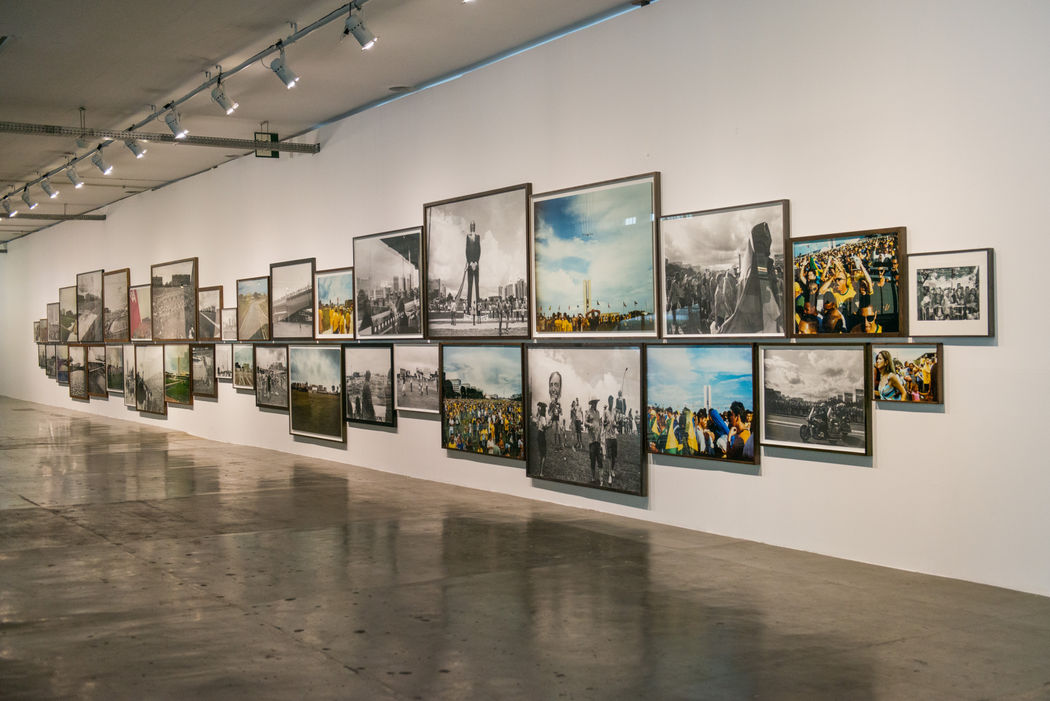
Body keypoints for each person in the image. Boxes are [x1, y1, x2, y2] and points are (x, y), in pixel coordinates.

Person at [465, 220, 481, 321]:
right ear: (470, 226)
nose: (472, 226)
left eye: (474, 225)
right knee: (470, 285)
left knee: (477, 285)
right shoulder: (467, 236)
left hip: (476, 264)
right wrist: (470, 262)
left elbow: (479, 250)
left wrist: (476, 262)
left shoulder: (478, 236)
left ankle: (478, 310)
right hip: (470, 264)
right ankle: (468, 308)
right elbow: (466, 250)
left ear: (475, 226)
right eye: (471, 225)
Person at [585, 399, 603, 484]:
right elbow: (584, 422)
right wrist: (589, 424)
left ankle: (601, 479)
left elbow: (599, 423)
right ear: (591, 403)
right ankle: (593, 477)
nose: (595, 404)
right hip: (591, 440)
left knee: (599, 459)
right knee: (592, 459)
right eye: (594, 403)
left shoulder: (598, 413)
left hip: (598, 439)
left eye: (596, 402)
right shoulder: (588, 412)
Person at [603, 396, 618, 485]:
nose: (611, 403)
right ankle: (609, 476)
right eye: (610, 401)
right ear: (608, 402)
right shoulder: (605, 412)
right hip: (608, 437)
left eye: (612, 401)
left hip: (614, 437)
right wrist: (607, 423)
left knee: (614, 456)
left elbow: (615, 422)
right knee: (609, 457)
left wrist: (615, 424)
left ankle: (612, 470)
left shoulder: (614, 412)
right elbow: (603, 423)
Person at [548, 371, 563, 449]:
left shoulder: (558, 404)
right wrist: (552, 409)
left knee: (559, 432)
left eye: (556, 385)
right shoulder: (551, 404)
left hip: (557, 420)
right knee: (554, 432)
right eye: (551, 385)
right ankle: (555, 444)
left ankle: (560, 445)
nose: (553, 389)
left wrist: (560, 410)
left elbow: (561, 412)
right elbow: (549, 413)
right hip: (554, 420)